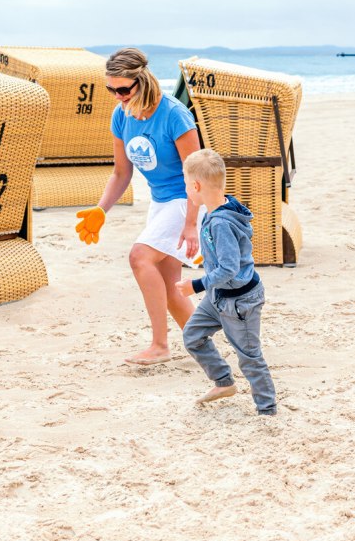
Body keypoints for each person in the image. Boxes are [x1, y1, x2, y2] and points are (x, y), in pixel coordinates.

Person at [76, 48, 201, 365]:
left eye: (123, 89)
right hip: (160, 202)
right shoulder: (122, 115)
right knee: (172, 287)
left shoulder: (174, 115)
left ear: (142, 81)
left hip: (186, 199)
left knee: (139, 257)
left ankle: (160, 345)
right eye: (111, 89)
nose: (117, 96)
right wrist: (101, 211)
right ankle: (203, 342)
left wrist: (190, 225)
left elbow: (196, 176)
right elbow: (121, 172)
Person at [176, 149, 276, 415]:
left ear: (196, 186)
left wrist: (195, 286)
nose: (187, 191)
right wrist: (206, 257)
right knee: (193, 335)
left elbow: (230, 268)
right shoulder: (219, 208)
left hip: (240, 301)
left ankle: (267, 409)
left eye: (187, 185)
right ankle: (223, 381)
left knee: (249, 356)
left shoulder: (220, 221)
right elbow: (226, 254)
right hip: (219, 296)